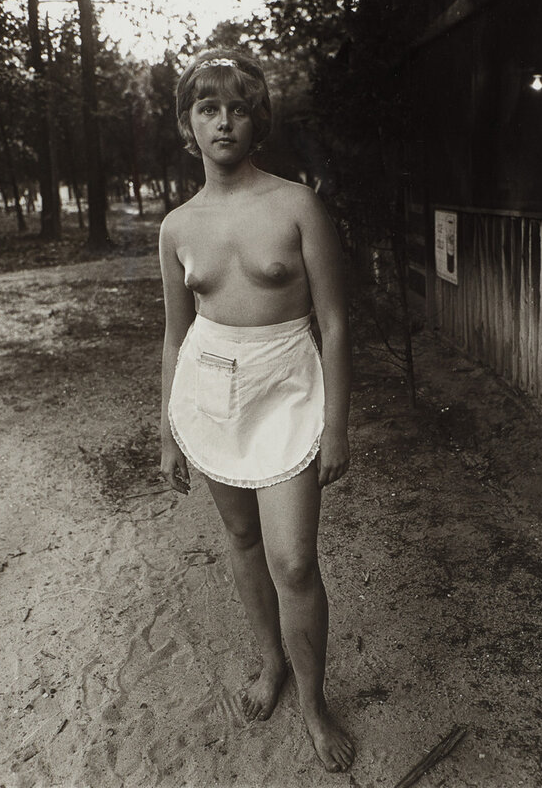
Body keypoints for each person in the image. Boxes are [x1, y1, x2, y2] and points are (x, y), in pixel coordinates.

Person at [158, 49, 355, 773]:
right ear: (188, 125)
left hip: (286, 389)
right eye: (207, 108)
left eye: (237, 107)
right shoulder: (177, 226)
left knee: (294, 560)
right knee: (242, 540)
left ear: (257, 120)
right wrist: (167, 431)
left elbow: (333, 323)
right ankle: (269, 662)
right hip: (208, 392)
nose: (223, 121)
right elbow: (175, 333)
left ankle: (313, 701)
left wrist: (335, 424)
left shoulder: (296, 204)